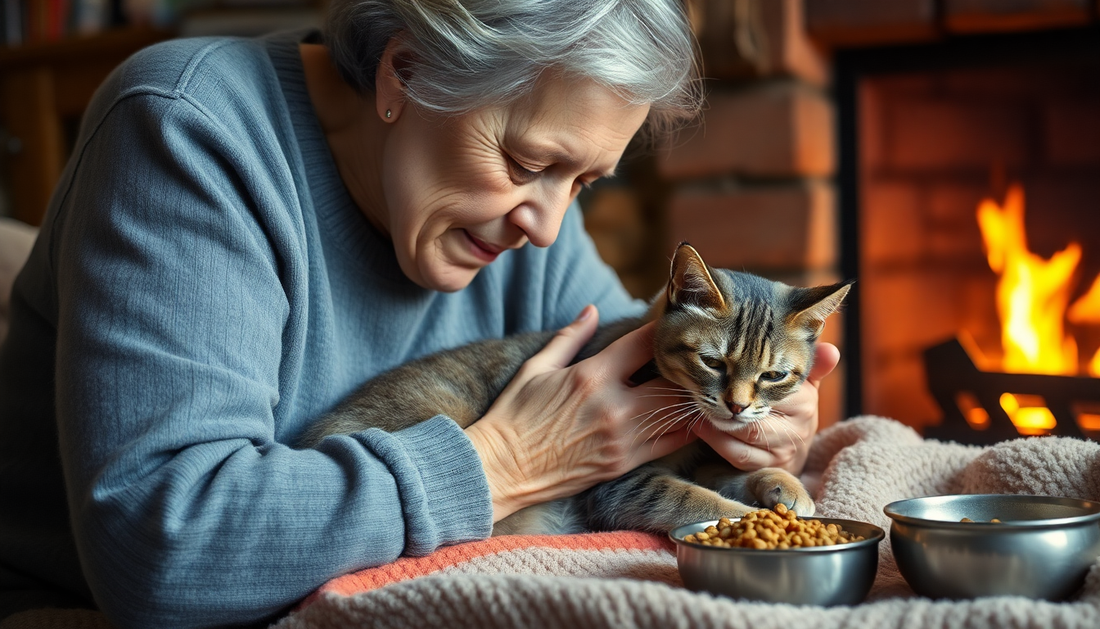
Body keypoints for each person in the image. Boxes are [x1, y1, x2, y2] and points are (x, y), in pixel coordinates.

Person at [0, 1, 838, 627]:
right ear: (406, 73)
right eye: (526, 162)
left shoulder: (515, 215)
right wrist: (502, 462)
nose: (547, 227)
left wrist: (746, 434)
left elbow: (631, 388)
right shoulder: (187, 128)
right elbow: (160, 551)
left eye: (582, 182)